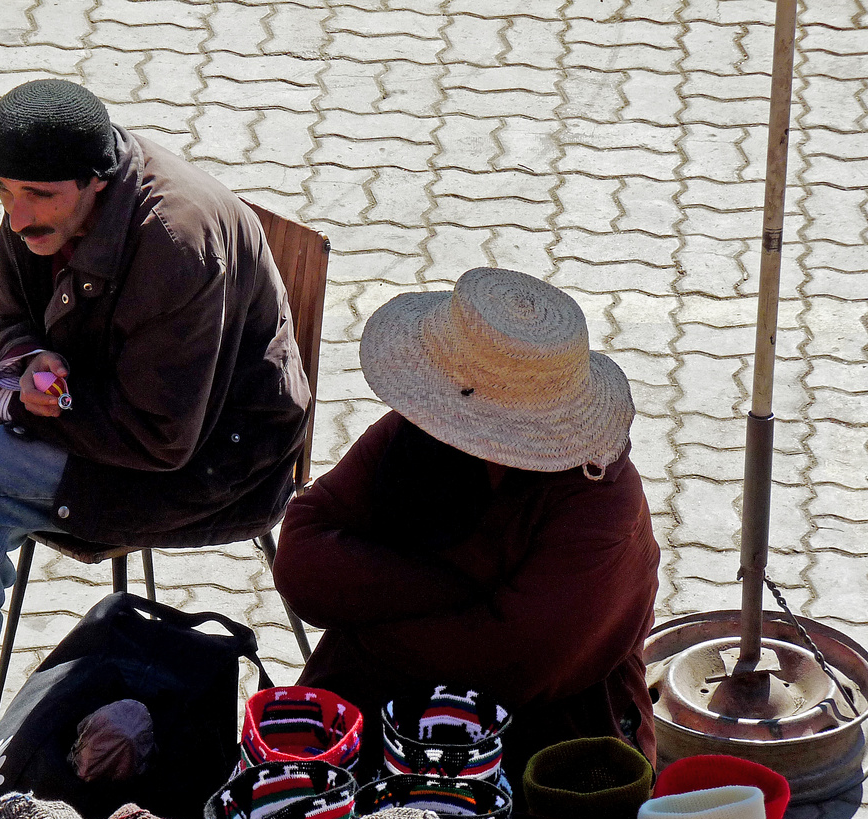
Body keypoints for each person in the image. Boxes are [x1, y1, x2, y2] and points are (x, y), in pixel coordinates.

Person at [0, 80, 310, 787]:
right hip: (106, 421)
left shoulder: (174, 244)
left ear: (97, 180)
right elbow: (5, 317)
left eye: (38, 196)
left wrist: (11, 409)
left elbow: (161, 438)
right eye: (3, 191)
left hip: (206, 466)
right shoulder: (42, 202)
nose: (17, 216)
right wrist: (26, 365)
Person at [272, 267, 660, 782]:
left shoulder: (600, 499)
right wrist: (462, 586)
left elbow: (512, 664)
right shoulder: (416, 427)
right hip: (377, 702)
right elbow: (301, 558)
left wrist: (362, 613)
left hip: (547, 740)